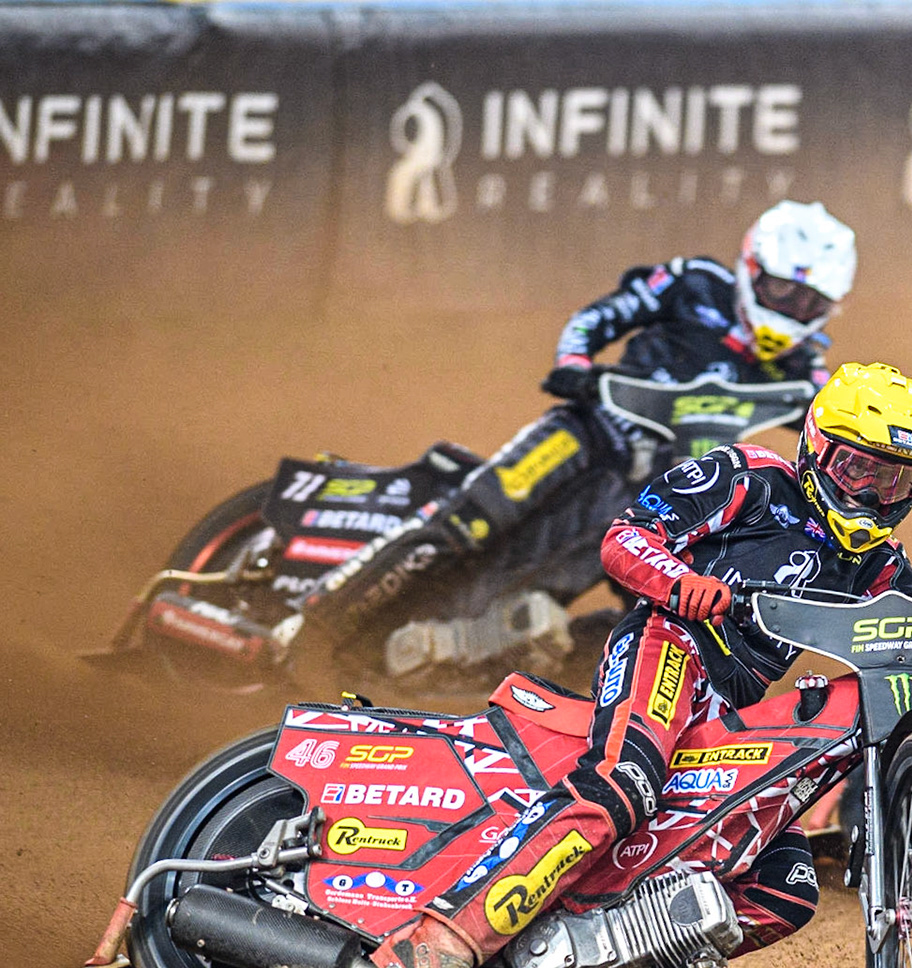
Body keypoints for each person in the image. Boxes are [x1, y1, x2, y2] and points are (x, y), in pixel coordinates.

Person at [370, 363, 912, 968]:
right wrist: (683, 585)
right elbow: (625, 539)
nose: (872, 494)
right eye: (856, 469)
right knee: (625, 782)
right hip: (669, 646)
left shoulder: (881, 567)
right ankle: (445, 936)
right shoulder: (747, 476)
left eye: (895, 481)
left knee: (787, 891)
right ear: (815, 448)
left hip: (731, 708)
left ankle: (581, 966)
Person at [279, 200, 858, 669]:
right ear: (751, 267)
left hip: (651, 497)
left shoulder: (805, 374)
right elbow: (601, 315)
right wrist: (574, 360)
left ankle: (448, 664)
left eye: (811, 300)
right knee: (465, 524)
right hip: (586, 433)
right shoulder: (694, 282)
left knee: (609, 605)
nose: (793, 308)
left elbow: (835, 433)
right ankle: (311, 627)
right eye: (784, 290)